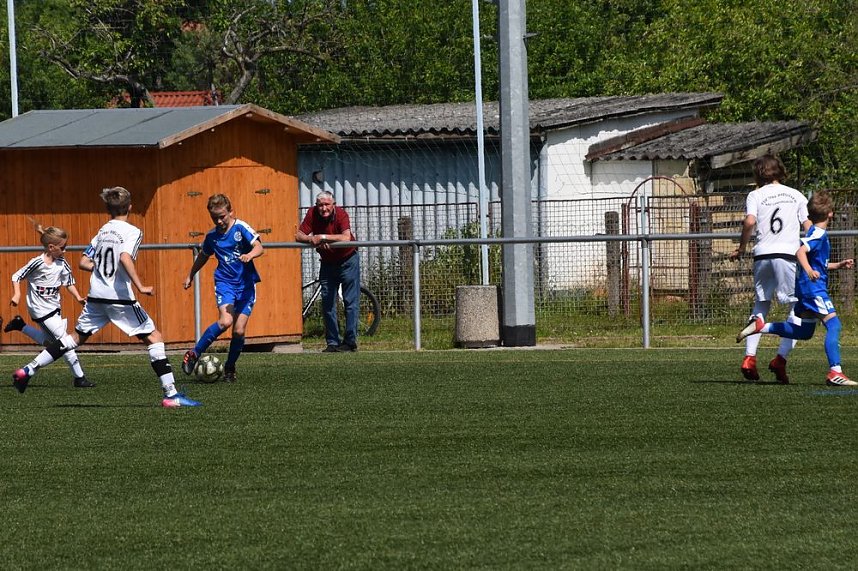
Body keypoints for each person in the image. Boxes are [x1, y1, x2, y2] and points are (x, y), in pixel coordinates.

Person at [11, 186, 201, 407]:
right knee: (155, 338)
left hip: (96, 296)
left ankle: (28, 369)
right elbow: (124, 257)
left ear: (108, 209)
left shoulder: (102, 231)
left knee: (74, 339)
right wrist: (140, 286)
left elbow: (83, 262)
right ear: (130, 207)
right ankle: (171, 395)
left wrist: (102, 270)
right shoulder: (132, 231)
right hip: (119, 296)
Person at [737, 191, 855, 386]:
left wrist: (838, 265)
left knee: (805, 333)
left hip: (806, 289)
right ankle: (835, 371)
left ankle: (761, 326)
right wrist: (809, 270)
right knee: (834, 325)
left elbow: (817, 263)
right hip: (813, 289)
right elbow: (800, 251)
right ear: (831, 214)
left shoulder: (812, 233)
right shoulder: (818, 234)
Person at [729, 154, 812, 383]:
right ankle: (780, 359)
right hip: (787, 255)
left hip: (762, 254)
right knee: (798, 307)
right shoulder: (796, 194)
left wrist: (742, 247)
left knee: (761, 304)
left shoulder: (755, 194)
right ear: (780, 171)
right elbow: (808, 225)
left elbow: (749, 221)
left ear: (759, 173)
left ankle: (749, 358)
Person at [182, 194, 263, 382]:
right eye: (214, 218)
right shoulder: (212, 236)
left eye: (222, 217)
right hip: (225, 283)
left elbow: (259, 246)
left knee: (239, 331)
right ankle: (194, 354)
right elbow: (203, 255)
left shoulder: (241, 228)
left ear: (230, 212)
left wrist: (250, 255)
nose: (218, 221)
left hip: (246, 285)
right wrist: (190, 274)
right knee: (225, 321)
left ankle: (230, 367)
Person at [6, 223, 93, 388]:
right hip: (40, 310)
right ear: (51, 247)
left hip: (54, 309)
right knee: (65, 341)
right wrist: (17, 294)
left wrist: (78, 297)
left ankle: (21, 325)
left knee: (53, 344)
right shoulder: (37, 263)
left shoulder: (61, 263)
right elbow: (16, 276)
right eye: (62, 247)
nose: (65, 251)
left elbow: (69, 282)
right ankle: (79, 377)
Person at [296, 191, 360, 352]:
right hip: (327, 263)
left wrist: (323, 237)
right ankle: (332, 342)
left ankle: (350, 342)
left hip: (348, 260)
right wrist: (312, 239)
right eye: (320, 205)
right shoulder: (312, 213)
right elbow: (298, 235)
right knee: (327, 303)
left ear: (333, 205)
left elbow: (346, 238)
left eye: (327, 205)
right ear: (316, 206)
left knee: (350, 302)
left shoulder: (341, 214)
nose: (323, 208)